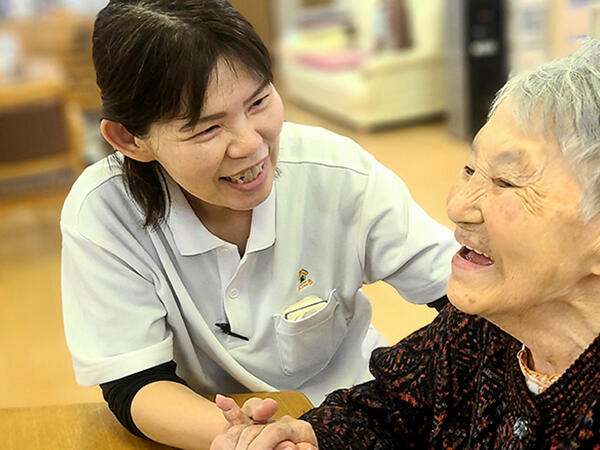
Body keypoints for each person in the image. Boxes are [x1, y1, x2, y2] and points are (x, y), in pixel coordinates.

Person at [59, 1, 456, 448]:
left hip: (350, 417)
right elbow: (133, 383)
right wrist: (252, 440)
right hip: (206, 429)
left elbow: (464, 297)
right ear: (130, 138)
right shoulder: (104, 211)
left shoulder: (337, 171)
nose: (250, 144)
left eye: (259, 101)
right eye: (207, 129)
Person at [211, 39, 600, 449]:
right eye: (470, 169)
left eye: (506, 182)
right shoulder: (481, 328)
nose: (458, 205)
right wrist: (308, 435)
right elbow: (388, 409)